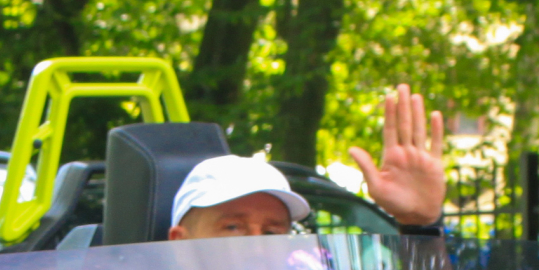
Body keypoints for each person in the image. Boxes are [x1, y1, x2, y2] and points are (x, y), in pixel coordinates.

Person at [167, 84, 449, 239]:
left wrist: (419, 225)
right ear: (180, 242)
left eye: (271, 233)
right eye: (232, 227)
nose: (256, 245)